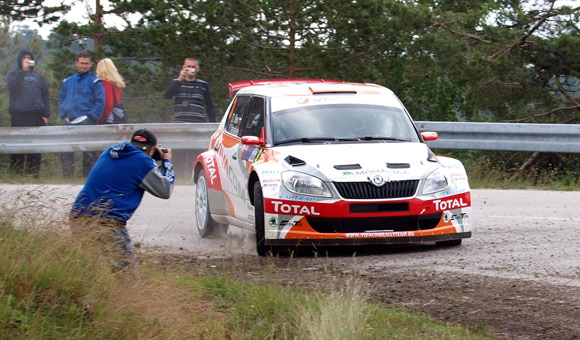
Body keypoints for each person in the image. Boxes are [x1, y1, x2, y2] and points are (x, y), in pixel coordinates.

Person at [70, 129, 175, 272]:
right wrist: (166, 161)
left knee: (93, 271)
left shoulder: (109, 151)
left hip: (78, 217)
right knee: (126, 275)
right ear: (151, 150)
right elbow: (165, 190)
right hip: (106, 223)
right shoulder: (143, 161)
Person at [58, 52, 106, 177]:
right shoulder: (68, 81)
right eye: (82, 63)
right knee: (67, 150)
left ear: (90, 64)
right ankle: (67, 177)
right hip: (69, 120)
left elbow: (101, 101)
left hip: (87, 120)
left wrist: (91, 116)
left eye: (86, 63)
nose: (84, 66)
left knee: (88, 151)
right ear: (76, 63)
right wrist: (63, 114)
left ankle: (87, 177)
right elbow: (61, 98)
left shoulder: (95, 81)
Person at [6, 47, 51, 177]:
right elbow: (12, 87)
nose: (27, 61)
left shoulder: (38, 76)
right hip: (19, 115)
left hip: (36, 116)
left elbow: (45, 95)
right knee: (17, 148)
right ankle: (16, 174)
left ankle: (33, 174)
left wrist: (45, 115)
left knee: (35, 148)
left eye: (29, 58)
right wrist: (22, 72)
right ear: (20, 60)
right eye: (24, 58)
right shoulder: (14, 74)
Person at [164, 57, 217, 123]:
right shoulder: (176, 82)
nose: (191, 69)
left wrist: (213, 124)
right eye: (188, 66)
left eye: (193, 67)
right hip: (179, 123)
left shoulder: (203, 85)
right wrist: (179, 80)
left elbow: (210, 106)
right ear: (183, 68)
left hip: (198, 123)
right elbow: (167, 96)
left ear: (197, 69)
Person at [95, 58, 126, 124]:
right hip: (118, 115)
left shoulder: (105, 83)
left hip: (109, 118)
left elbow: (109, 104)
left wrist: (101, 119)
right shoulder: (117, 83)